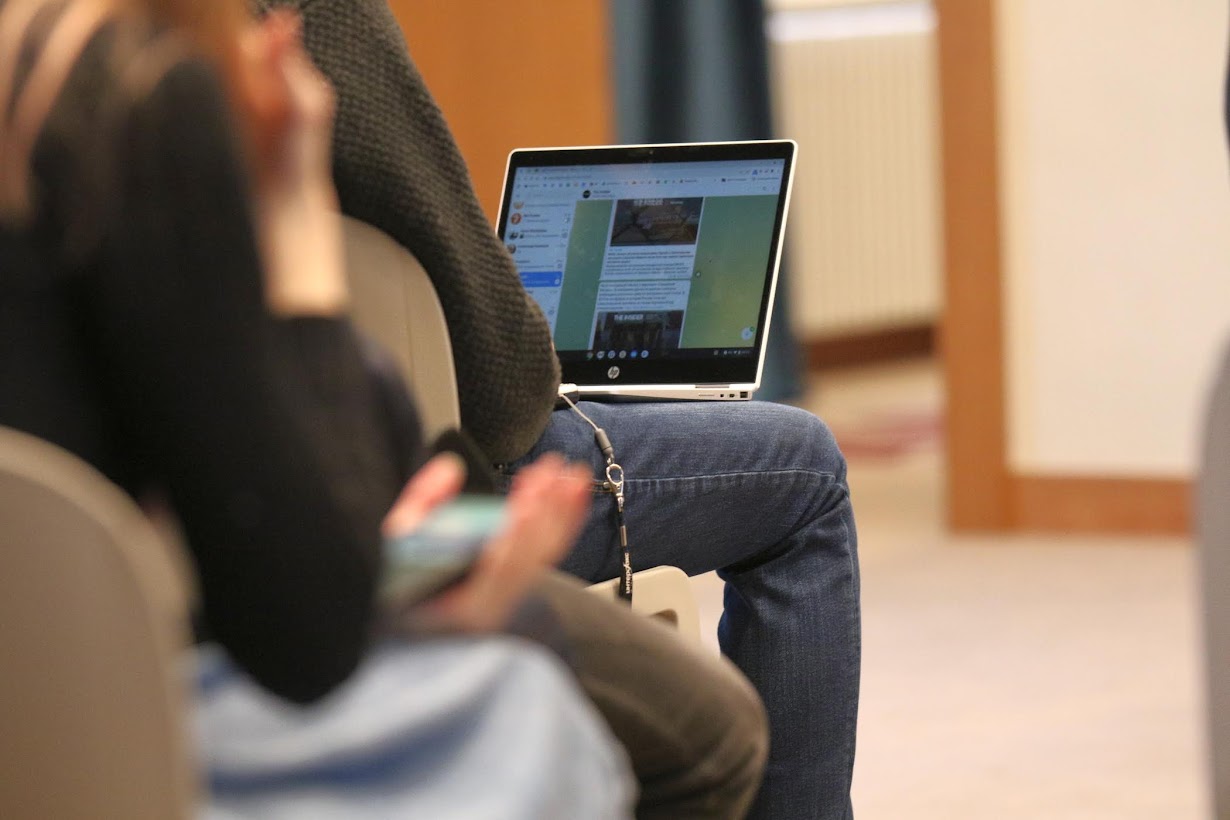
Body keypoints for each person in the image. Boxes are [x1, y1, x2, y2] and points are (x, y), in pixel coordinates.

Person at [0, 1, 765, 816]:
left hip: (62, 671)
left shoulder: (46, 88)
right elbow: (308, 633)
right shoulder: (146, 95)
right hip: (180, 673)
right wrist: (298, 223)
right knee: (711, 727)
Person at [263, 0, 863, 816]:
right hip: (426, 526)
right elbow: (502, 400)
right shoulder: (315, 24)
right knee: (805, 470)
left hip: (210, 561)